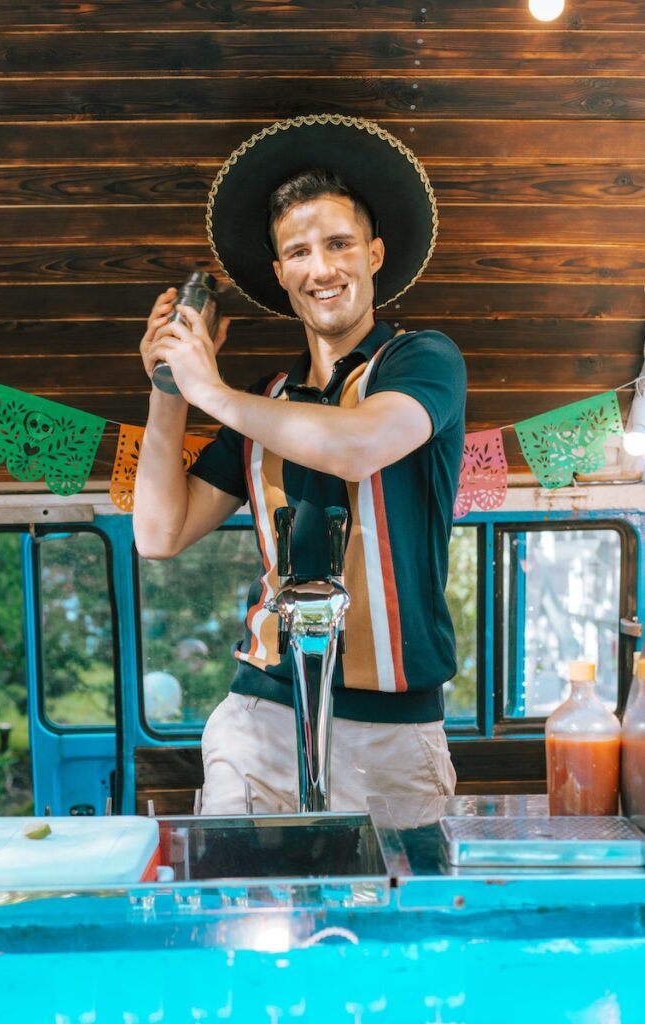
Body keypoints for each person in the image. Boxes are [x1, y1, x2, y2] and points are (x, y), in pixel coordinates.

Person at [133, 115, 466, 828]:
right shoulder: (267, 402)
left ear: (374, 254)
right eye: (299, 252)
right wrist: (169, 388)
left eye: (340, 244)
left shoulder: (422, 362)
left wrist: (214, 393)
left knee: (391, 937)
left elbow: (358, 446)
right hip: (260, 715)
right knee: (246, 927)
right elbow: (157, 533)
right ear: (280, 273)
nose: (322, 268)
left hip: (391, 733)